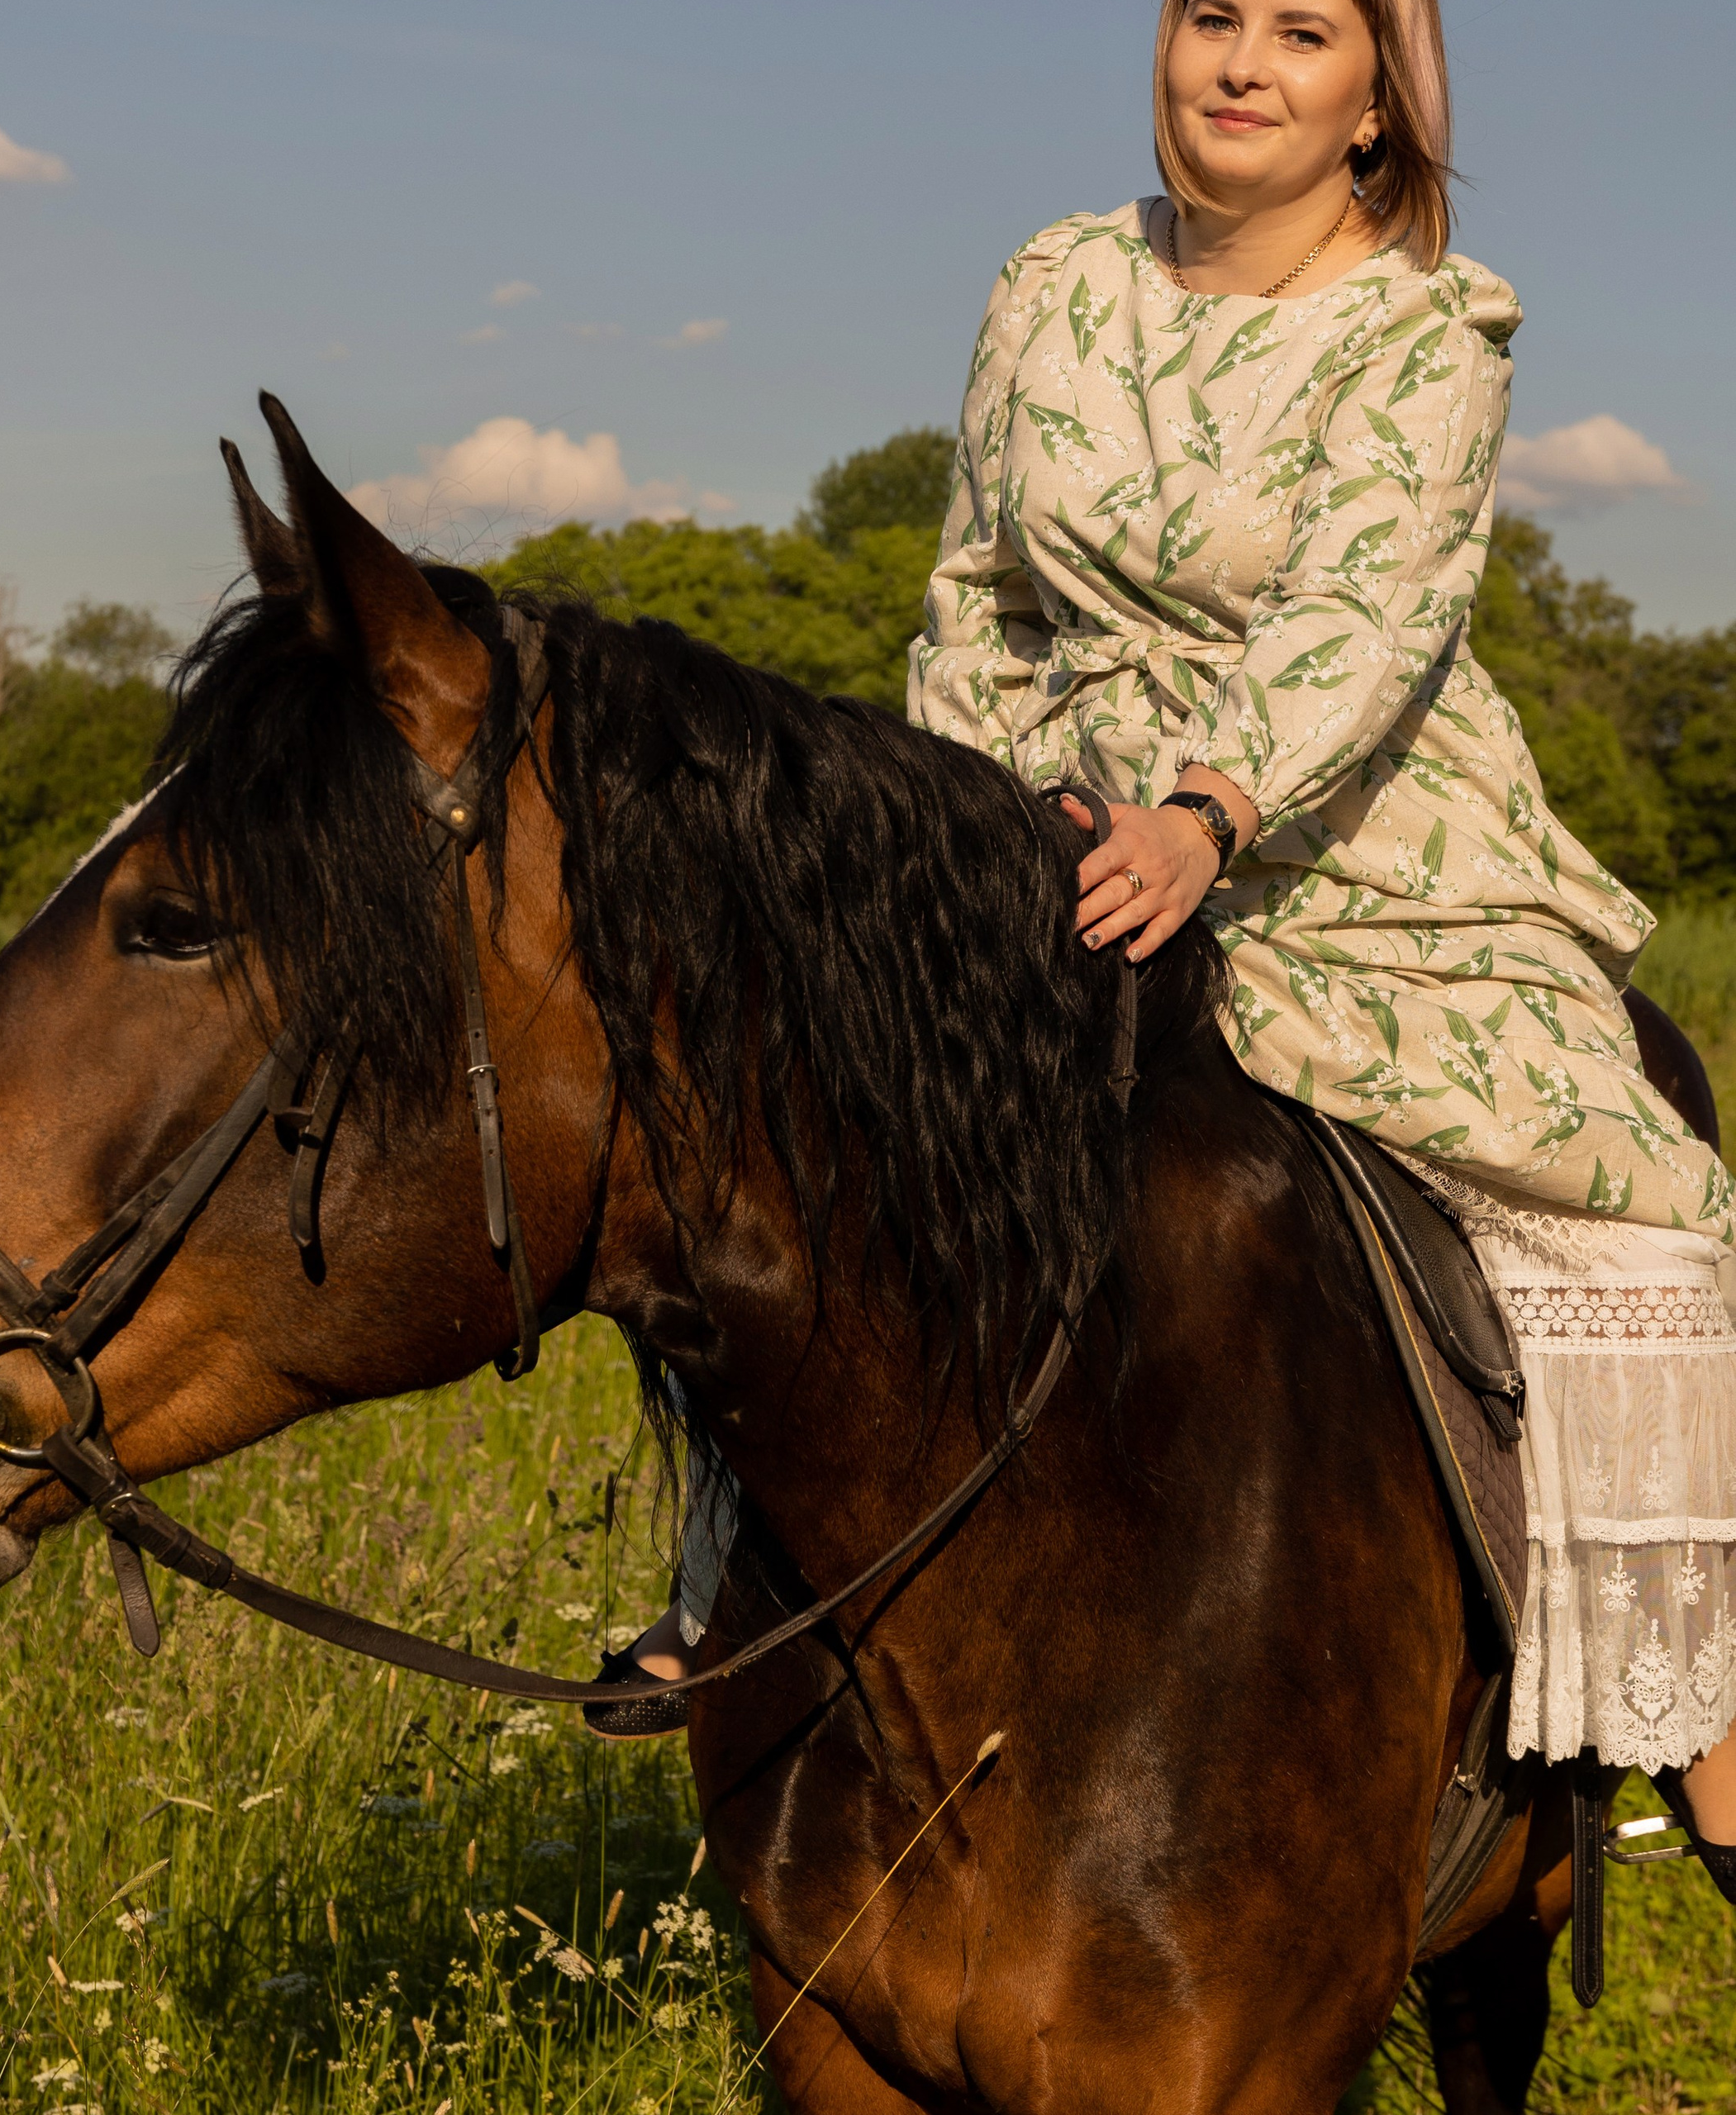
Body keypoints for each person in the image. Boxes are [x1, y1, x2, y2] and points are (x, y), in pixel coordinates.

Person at [584, 0, 1736, 1900]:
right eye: (1212, 14)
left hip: (1343, 835)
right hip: (1040, 817)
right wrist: (991, 817)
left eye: (1303, 32)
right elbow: (970, 588)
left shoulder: (1423, 331)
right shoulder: (1052, 280)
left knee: (1642, 1199)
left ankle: (1683, 1695)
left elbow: (1368, 618)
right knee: (802, 1125)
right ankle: (736, 1590)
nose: (1242, 62)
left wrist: (1204, 811)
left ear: (1379, 102)